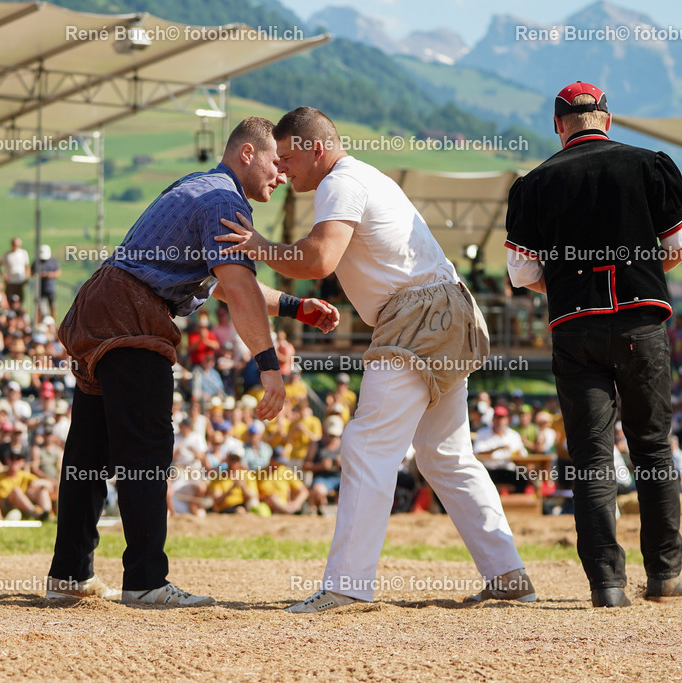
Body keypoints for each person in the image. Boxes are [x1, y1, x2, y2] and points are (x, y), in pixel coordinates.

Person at [218, 107, 534, 612]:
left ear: (315, 148)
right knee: (444, 454)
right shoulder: (360, 176)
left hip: (418, 316)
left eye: (288, 157)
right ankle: (508, 575)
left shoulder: (340, 182)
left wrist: (259, 246)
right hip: (445, 308)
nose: (281, 170)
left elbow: (318, 259)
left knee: (367, 444)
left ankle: (347, 585)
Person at [46, 117, 339, 608]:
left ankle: (71, 575)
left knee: (89, 453)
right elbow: (239, 288)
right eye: (275, 161)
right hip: (132, 314)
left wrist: (294, 306)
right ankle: (144, 581)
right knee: (146, 451)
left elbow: (220, 283)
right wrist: (269, 365)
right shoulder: (225, 201)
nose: (283, 173)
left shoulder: (200, 187)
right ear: (246, 154)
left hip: (104, 305)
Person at [504, 81, 682, 607]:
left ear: (559, 125)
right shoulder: (652, 165)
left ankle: (607, 584)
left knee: (590, 457)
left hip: (575, 327)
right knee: (653, 448)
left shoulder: (533, 184)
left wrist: (565, 286)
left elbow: (521, 275)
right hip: (641, 325)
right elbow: (678, 247)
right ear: (606, 119)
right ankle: (665, 575)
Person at [0, 237, 31, 303]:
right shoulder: (7, 254)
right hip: (10, 282)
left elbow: (27, 267)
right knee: (9, 299)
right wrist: (3, 276)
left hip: (20, 281)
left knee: (20, 300)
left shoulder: (23, 253)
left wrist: (26, 277)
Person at [36, 244, 61, 319]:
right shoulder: (37, 262)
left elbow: (58, 272)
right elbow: (31, 272)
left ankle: (54, 323)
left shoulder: (53, 261)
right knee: (39, 307)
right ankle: (39, 321)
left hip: (50, 288)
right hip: (39, 289)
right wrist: (39, 275)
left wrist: (48, 275)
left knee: (52, 307)